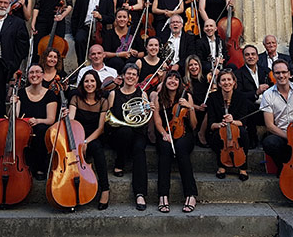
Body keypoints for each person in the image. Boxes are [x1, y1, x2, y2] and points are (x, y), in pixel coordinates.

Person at [151, 71, 198, 213]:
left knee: (181, 148)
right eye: (169, 78)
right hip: (166, 132)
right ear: (165, 82)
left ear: (180, 83)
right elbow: (157, 121)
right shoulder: (159, 98)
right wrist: (164, 134)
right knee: (165, 149)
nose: (173, 81)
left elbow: (194, 125)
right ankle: (163, 195)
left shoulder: (187, 96)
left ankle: (191, 194)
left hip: (185, 133)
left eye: (176, 79)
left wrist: (190, 108)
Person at [106, 63, 149, 210]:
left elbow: (143, 117)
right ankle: (119, 161)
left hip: (137, 132)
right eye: (128, 74)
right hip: (118, 133)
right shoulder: (113, 94)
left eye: (134, 75)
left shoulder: (142, 94)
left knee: (139, 150)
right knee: (125, 131)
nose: (131, 77)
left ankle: (140, 193)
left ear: (137, 78)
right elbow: (109, 117)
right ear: (123, 76)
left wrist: (149, 110)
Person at [66, 70, 111, 210]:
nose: (89, 84)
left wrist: (85, 142)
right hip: (77, 135)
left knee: (97, 149)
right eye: (86, 81)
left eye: (92, 81)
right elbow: (72, 121)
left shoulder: (103, 101)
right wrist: (78, 142)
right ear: (82, 83)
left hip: (94, 136)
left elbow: (100, 128)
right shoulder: (76, 98)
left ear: (97, 83)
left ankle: (105, 189)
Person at [14, 64, 57, 180]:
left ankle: (40, 167)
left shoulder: (50, 95)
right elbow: (14, 117)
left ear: (43, 75)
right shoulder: (21, 93)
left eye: (38, 72)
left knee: (41, 129)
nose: (34, 75)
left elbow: (51, 119)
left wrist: (37, 121)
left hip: (41, 129)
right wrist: (13, 104)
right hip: (24, 129)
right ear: (28, 76)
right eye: (31, 72)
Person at [206, 69, 250, 181]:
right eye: (223, 80)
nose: (227, 83)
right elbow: (211, 123)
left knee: (243, 133)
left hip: (236, 128)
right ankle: (221, 166)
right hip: (219, 128)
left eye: (229, 79)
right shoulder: (213, 98)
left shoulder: (241, 97)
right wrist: (220, 124)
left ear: (234, 82)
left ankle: (243, 167)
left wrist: (232, 121)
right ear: (219, 83)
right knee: (218, 136)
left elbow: (243, 122)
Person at [71, 0, 116, 64]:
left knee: (103, 46)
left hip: (100, 30)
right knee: (79, 40)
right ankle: (81, 65)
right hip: (85, 26)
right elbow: (75, 15)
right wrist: (75, 32)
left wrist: (101, 17)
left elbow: (111, 18)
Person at [235, 45, 271, 149]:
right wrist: (256, 92)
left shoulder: (266, 71)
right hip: (252, 108)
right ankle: (252, 137)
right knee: (246, 104)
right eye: (247, 55)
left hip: (268, 106)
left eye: (253, 54)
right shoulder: (238, 73)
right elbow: (239, 95)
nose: (250, 57)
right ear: (243, 57)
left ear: (257, 57)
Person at [103, 9, 142, 73]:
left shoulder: (134, 32)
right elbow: (105, 53)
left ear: (128, 19)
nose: (122, 19)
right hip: (114, 63)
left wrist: (136, 54)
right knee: (117, 61)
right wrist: (118, 54)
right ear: (116, 19)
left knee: (131, 62)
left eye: (124, 17)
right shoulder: (109, 33)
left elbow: (142, 53)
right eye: (119, 17)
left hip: (130, 61)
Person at [183, 55, 210, 147]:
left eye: (196, 64)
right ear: (187, 67)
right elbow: (182, 100)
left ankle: (201, 133)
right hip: (191, 110)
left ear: (200, 65)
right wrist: (196, 107)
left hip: (205, 110)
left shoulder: (206, 79)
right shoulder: (185, 82)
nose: (193, 67)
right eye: (190, 65)